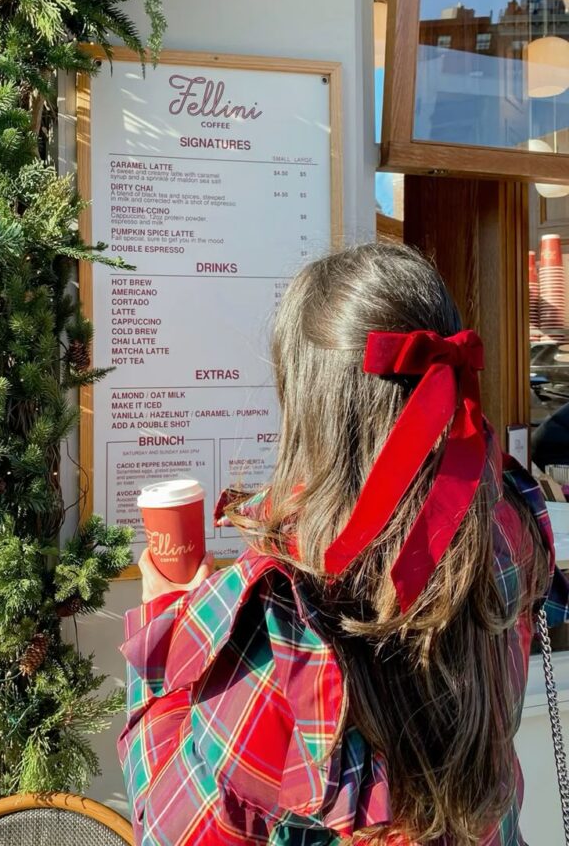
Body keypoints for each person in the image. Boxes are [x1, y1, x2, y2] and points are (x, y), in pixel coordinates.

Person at [118, 241, 569, 846]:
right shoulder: (508, 523)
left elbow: (180, 830)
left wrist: (169, 625)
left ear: (308, 406)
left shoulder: (279, 621)